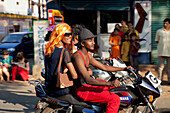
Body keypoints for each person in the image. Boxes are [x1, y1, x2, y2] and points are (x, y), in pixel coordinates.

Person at [72, 28, 133, 113]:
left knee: (117, 88)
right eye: (90, 41)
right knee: (114, 99)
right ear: (82, 43)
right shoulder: (78, 56)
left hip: (88, 87)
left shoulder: (88, 55)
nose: (93, 43)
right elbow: (87, 79)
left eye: (93, 40)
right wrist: (109, 83)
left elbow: (104, 67)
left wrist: (124, 69)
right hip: (83, 90)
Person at [44, 23, 78, 96]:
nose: (70, 36)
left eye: (70, 34)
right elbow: (74, 75)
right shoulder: (64, 51)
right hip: (59, 88)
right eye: (66, 34)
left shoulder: (49, 49)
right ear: (60, 35)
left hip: (49, 87)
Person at [155, 18, 170, 83]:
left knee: (169, 68)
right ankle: (159, 80)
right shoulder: (159, 31)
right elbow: (157, 41)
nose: (165, 24)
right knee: (160, 67)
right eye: (164, 23)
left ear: (169, 24)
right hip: (161, 52)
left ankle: (169, 81)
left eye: (166, 23)